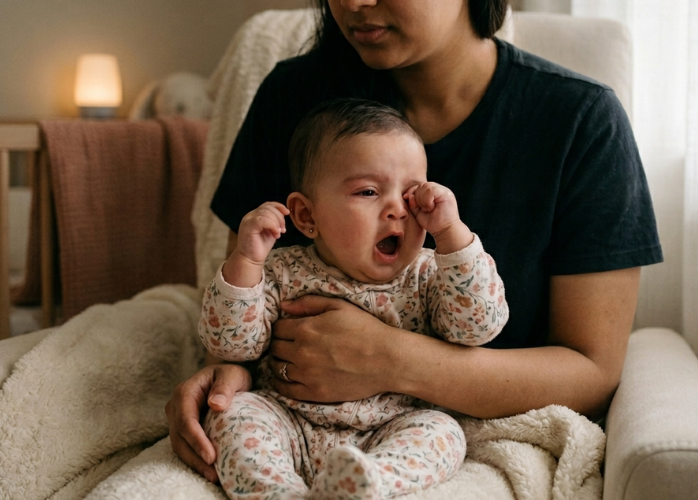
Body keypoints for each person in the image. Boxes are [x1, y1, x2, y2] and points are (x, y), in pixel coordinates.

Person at [166, 0, 663, 485]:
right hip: (288, 416)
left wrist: (392, 359)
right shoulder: (293, 98)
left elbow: (593, 370)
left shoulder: (580, 120)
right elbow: (242, 298)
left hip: (421, 425)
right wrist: (225, 379)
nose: (354, 2)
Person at [199, 98, 508, 499]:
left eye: (413, 194)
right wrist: (245, 262)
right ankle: (279, 493)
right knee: (233, 416)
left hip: (390, 426)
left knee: (442, 433)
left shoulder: (431, 272)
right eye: (368, 191)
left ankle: (369, 484)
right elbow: (232, 344)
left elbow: (478, 326)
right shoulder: (281, 270)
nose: (397, 209)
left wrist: (453, 235)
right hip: (287, 418)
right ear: (307, 217)